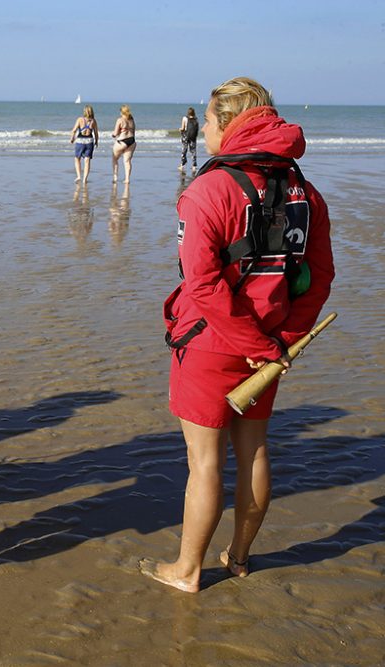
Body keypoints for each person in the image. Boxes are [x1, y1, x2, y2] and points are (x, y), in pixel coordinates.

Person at [140, 77, 334, 592]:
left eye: (206, 120)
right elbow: (319, 277)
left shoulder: (207, 190)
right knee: (254, 452)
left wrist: (258, 344)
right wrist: (282, 341)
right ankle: (239, 558)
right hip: (271, 348)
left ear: (228, 124)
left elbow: (201, 283)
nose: (202, 129)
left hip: (210, 345)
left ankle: (185, 571)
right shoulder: (306, 193)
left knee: (204, 463)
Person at [69, 105, 99, 183]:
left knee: (77, 159)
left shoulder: (80, 119)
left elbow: (74, 130)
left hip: (80, 141)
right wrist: (96, 141)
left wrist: (72, 139)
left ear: (84, 111)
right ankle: (85, 179)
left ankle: (79, 176)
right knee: (87, 160)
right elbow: (96, 133)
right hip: (89, 141)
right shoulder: (93, 121)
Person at [111, 104, 136, 183]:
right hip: (132, 141)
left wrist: (113, 135)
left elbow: (115, 133)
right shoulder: (132, 119)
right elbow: (133, 131)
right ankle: (127, 179)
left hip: (122, 141)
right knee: (127, 161)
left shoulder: (120, 120)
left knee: (115, 159)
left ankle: (115, 177)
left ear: (122, 112)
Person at [180, 107, 199, 173]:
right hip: (193, 137)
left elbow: (182, 128)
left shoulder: (185, 118)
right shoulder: (196, 119)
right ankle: (194, 166)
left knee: (184, 150)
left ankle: (182, 165)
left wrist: (180, 129)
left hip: (186, 136)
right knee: (193, 151)